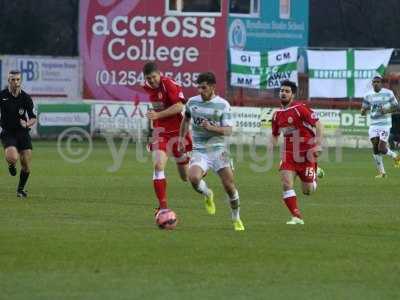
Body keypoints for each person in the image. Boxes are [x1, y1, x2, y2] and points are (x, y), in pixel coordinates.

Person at [179, 72, 245, 231]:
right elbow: (186, 119)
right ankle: (208, 194)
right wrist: (181, 139)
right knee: (193, 178)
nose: (201, 91)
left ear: (213, 87)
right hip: (200, 149)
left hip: (219, 150)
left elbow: (229, 130)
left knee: (229, 186)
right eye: (199, 88)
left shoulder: (223, 105)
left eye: (204, 87)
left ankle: (236, 217)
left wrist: (211, 128)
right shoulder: (192, 102)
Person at [142, 62, 192, 214]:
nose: (152, 81)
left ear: (159, 74)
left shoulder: (168, 84)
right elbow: (156, 114)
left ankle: (197, 169)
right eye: (148, 78)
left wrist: (157, 115)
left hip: (178, 133)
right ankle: (163, 207)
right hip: (161, 133)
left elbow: (179, 106)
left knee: (186, 177)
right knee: (158, 166)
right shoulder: (147, 87)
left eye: (154, 77)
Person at [271, 80, 323, 225]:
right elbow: (275, 134)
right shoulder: (276, 115)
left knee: (308, 191)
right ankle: (296, 216)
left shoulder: (300, 109)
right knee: (286, 184)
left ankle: (315, 172)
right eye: (282, 90)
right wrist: (271, 145)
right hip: (289, 154)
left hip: (306, 154)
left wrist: (318, 144)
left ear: (293, 95)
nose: (283, 93)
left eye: (287, 91)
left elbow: (318, 124)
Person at [0, 70, 37, 198]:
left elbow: (33, 117)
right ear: (8, 81)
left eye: (18, 79)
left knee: (26, 164)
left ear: (20, 81)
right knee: (12, 158)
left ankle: (20, 190)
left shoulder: (26, 98)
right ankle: (11, 164)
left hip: (23, 133)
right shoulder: (2, 95)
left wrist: (27, 124)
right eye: (13, 79)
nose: (16, 82)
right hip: (8, 132)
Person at [361, 75, 400, 178]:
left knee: (382, 148)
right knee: (375, 148)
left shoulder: (388, 93)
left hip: (385, 124)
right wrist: (363, 111)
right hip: (373, 125)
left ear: (381, 83)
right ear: (372, 83)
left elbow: (397, 106)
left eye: (378, 82)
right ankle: (382, 173)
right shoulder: (368, 95)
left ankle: (396, 156)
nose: (376, 83)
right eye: (374, 82)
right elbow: (363, 110)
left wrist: (386, 110)